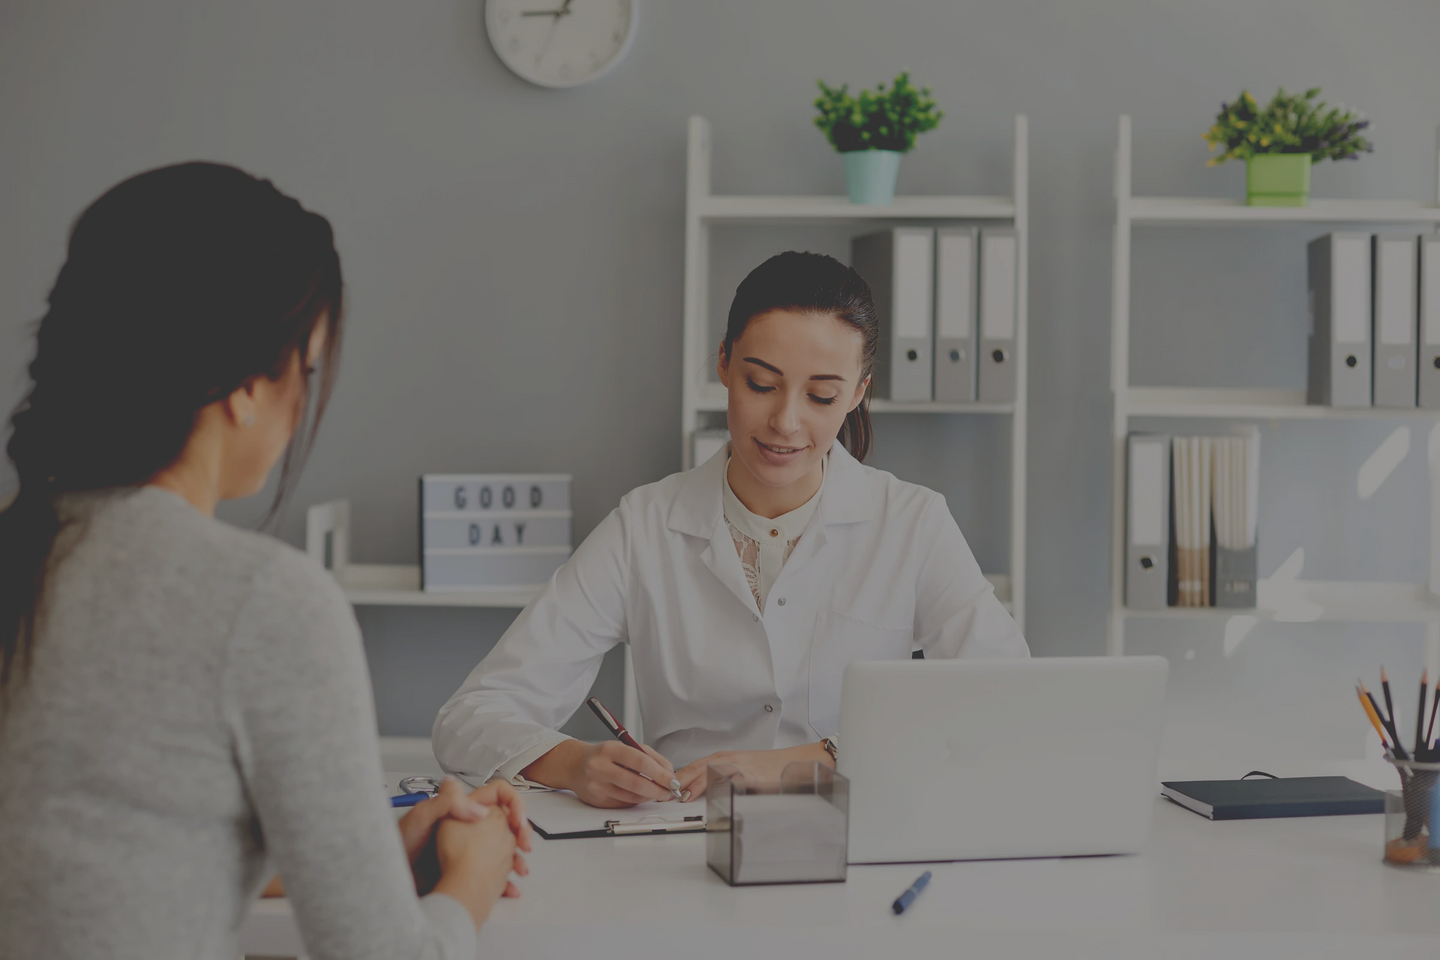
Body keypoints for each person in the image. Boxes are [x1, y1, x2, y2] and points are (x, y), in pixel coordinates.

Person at [0, 162, 530, 960]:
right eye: (305, 369)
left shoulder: (24, 553)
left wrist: (371, 851)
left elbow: (108, 861)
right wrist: (474, 880)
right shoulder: (258, 601)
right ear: (248, 384)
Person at [433, 250, 1028, 808]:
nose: (786, 422)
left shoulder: (912, 523)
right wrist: (573, 763)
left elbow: (1009, 699)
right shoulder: (644, 526)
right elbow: (471, 716)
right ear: (724, 362)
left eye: (822, 396)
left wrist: (810, 760)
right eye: (761, 385)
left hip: (858, 839)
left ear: (858, 394)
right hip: (682, 845)